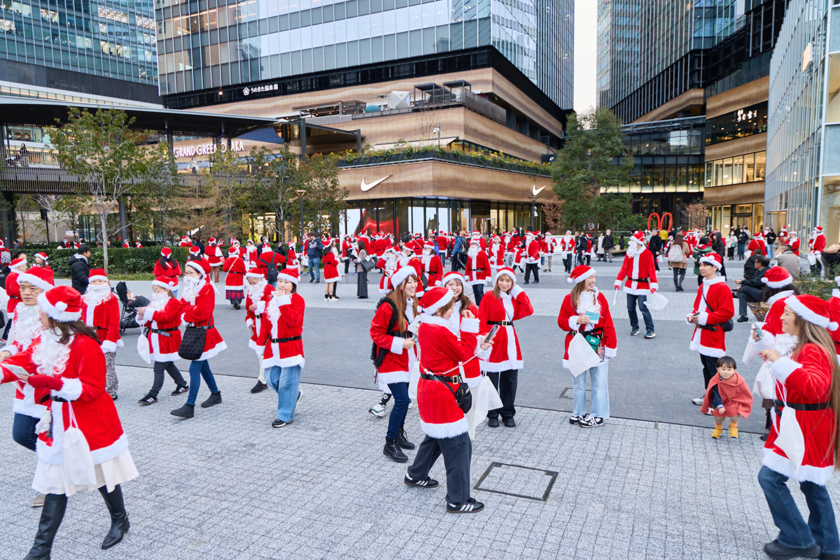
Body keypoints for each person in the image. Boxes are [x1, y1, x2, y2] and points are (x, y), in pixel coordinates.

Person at [2, 285, 138, 558]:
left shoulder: (87, 345)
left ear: (55, 314)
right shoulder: (46, 338)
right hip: (60, 423)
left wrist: (52, 382)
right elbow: (23, 362)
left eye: (43, 308)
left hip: (91, 423)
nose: (38, 311)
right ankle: (41, 551)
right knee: (55, 483)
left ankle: (120, 519)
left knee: (102, 473)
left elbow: (93, 389)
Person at [757, 294, 840, 560]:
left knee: (770, 478)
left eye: (787, 314)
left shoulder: (813, 349)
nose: (781, 317)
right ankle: (829, 546)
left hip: (806, 427)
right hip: (806, 425)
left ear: (802, 321)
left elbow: (815, 387)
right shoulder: (807, 347)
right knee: (812, 483)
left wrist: (778, 362)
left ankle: (798, 538)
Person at [405, 286, 488, 514]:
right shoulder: (439, 330)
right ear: (440, 309)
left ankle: (416, 474)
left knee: (435, 435)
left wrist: (474, 343)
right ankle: (457, 500)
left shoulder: (427, 326)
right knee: (459, 444)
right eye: (451, 307)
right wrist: (472, 329)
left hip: (430, 387)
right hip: (441, 391)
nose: (454, 310)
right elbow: (462, 353)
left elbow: (455, 351)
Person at [0, 266, 53, 506]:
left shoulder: (51, 316)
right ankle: (61, 462)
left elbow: (35, 354)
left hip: (47, 387)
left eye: (33, 287)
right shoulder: (20, 311)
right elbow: (15, 342)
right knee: (21, 434)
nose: (27, 292)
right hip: (23, 385)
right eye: (23, 287)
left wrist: (6, 368)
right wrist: (7, 352)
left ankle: (49, 483)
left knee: (44, 436)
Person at [558, 266, 617, 428]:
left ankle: (597, 415)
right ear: (581, 279)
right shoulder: (569, 299)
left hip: (597, 343)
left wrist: (611, 345)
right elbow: (561, 322)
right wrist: (575, 320)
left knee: (598, 381)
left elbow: (607, 323)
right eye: (590, 277)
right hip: (577, 344)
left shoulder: (600, 298)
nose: (593, 280)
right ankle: (579, 411)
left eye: (594, 277)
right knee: (578, 381)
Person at [370, 266, 419, 462]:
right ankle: (389, 443)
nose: (414, 285)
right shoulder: (388, 306)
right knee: (402, 400)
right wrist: (400, 343)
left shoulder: (412, 303)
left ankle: (399, 434)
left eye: (415, 281)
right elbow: (375, 334)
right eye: (409, 281)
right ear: (400, 284)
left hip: (407, 359)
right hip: (390, 359)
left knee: (405, 399)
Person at [745, 266, 799, 441]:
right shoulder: (794, 299)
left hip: (778, 352)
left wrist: (759, 337)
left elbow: (774, 335)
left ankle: (774, 429)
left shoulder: (778, 304)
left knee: (774, 391)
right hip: (794, 351)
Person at [170, 260, 227, 419]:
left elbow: (203, 312)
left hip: (204, 333)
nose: (187, 276)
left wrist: (187, 314)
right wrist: (189, 311)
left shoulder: (207, 288)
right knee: (203, 366)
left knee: (194, 368)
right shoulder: (190, 287)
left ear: (200, 274)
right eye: (186, 272)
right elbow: (182, 306)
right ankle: (215, 394)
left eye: (191, 273)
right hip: (196, 331)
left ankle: (189, 406)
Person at [479, 267, 534, 427]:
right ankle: (493, 413)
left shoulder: (514, 298)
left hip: (510, 337)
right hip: (494, 336)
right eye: (501, 280)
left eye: (508, 281)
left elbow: (528, 309)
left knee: (510, 377)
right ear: (496, 281)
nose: (504, 283)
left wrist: (517, 291)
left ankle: (508, 412)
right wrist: (483, 338)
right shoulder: (489, 296)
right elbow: (482, 317)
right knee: (492, 377)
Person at [258, 267, 305, 428]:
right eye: (280, 281)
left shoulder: (297, 300)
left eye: (286, 282)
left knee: (286, 383)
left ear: (293, 284)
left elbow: (293, 321)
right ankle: (294, 396)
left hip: (291, 346)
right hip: (273, 346)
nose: (282, 285)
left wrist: (283, 303)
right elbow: (265, 323)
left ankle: (285, 415)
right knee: (271, 378)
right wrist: (260, 343)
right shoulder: (271, 299)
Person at [687, 253, 735, 406]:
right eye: (700, 265)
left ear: (715, 267)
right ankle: (709, 396)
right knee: (707, 368)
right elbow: (697, 306)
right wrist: (693, 316)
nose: (701, 268)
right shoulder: (702, 285)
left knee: (714, 370)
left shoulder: (722, 287)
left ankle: (716, 402)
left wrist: (703, 318)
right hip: (702, 332)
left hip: (714, 333)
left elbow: (728, 312)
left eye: (705, 265)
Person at [135, 277, 189, 404]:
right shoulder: (154, 303)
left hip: (167, 338)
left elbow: (165, 316)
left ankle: (153, 394)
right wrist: (141, 315)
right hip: (157, 338)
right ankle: (182, 384)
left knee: (159, 367)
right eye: (154, 290)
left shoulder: (174, 303)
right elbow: (148, 320)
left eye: (158, 290)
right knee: (168, 364)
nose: (155, 293)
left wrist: (147, 311)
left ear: (166, 290)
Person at [81, 269, 123, 400]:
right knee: (90, 364)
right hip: (88, 334)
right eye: (94, 281)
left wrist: (110, 340)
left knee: (107, 365)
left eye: (100, 281)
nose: (97, 284)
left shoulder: (111, 299)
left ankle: (111, 390)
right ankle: (96, 387)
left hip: (104, 334)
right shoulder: (85, 298)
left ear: (106, 282)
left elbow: (114, 321)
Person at [615, 231, 658, 339]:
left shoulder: (647, 254)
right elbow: (624, 268)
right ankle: (634, 327)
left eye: (632, 240)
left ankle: (650, 329)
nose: (630, 242)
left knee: (643, 308)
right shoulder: (629, 253)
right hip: (630, 284)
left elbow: (652, 270)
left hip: (642, 285)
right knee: (630, 308)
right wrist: (619, 280)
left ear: (638, 242)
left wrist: (653, 284)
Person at [700, 356, 752, 438]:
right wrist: (720, 405)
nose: (726, 372)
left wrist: (742, 402)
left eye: (729, 369)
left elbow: (744, 392)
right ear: (717, 369)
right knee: (718, 416)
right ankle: (718, 428)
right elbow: (715, 393)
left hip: (734, 400)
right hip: (720, 401)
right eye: (723, 369)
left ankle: (733, 426)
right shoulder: (715, 380)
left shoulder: (739, 381)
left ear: (734, 370)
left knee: (734, 414)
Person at [244, 268, 275, 394]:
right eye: (250, 283)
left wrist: (260, 305)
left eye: (254, 282)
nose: (252, 285)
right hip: (257, 323)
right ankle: (266, 377)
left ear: (260, 279)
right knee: (261, 352)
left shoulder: (268, 289)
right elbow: (248, 309)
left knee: (264, 352)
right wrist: (250, 322)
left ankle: (263, 380)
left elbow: (274, 304)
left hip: (267, 322)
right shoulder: (250, 291)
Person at [734, 255, 769, 321]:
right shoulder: (760, 270)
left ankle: (734, 294)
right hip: (757, 292)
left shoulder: (766, 271)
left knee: (745, 289)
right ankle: (743, 315)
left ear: (759, 264)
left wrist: (742, 282)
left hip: (763, 294)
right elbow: (752, 281)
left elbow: (756, 282)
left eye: (755, 262)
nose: (754, 264)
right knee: (742, 295)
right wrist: (742, 285)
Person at [464, 237, 490, 304]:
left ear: (478, 245)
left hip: (481, 274)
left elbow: (487, 265)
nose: (473, 245)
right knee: (475, 291)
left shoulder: (483, 253)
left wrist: (488, 275)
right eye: (472, 244)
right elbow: (467, 266)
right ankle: (478, 304)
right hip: (472, 275)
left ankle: (483, 304)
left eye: (474, 244)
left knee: (479, 290)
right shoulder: (470, 254)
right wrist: (466, 275)